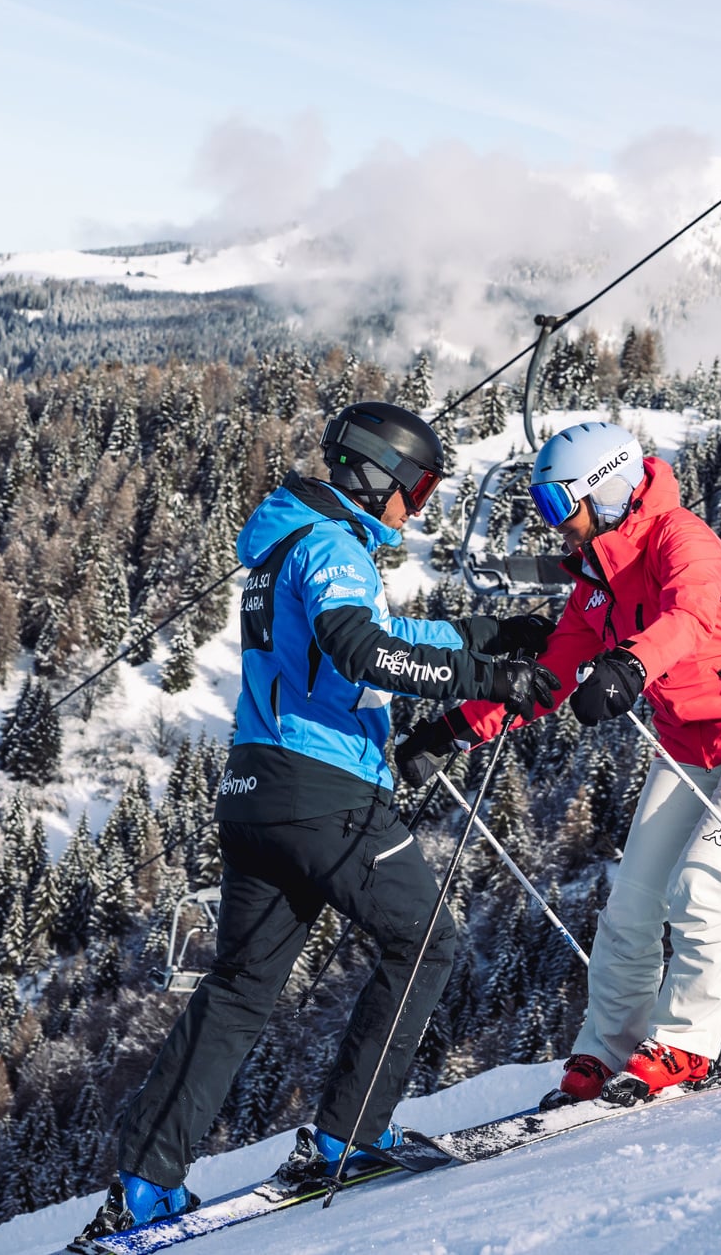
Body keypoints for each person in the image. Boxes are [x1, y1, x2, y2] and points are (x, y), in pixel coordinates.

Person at [82, 401, 561, 1242]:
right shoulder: (334, 547)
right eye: (420, 488)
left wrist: (492, 631)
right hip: (325, 795)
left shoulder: (288, 545)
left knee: (238, 988)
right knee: (427, 942)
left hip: (254, 793)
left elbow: (385, 630)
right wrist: (488, 679)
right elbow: (363, 650)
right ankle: (349, 1136)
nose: (420, 507)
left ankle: (146, 1184)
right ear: (381, 477)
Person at [397, 420, 721, 1105]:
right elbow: (549, 674)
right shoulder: (594, 580)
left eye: (555, 505)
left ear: (606, 491)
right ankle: (610, 1049)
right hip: (691, 748)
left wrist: (631, 664)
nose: (551, 525)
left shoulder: (682, 540)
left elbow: (686, 619)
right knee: (631, 904)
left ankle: (687, 1045)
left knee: (701, 885)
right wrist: (451, 732)